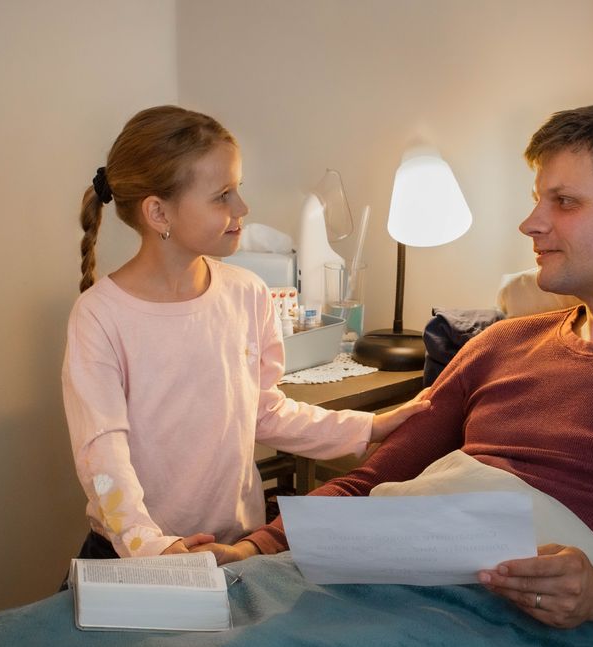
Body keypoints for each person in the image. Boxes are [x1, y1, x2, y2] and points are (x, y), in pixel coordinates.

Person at [199, 98, 593, 647]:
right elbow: (368, 485)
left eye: (566, 202)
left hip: (488, 626)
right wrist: (254, 547)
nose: (531, 224)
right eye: (537, 200)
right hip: (373, 576)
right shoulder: (503, 344)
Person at [61, 105, 429, 562]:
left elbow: (264, 411)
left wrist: (368, 428)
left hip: (236, 546)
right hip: (134, 555)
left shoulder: (245, 292)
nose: (242, 208)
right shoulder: (100, 316)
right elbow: (103, 455)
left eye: (238, 190)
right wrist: (151, 545)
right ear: (158, 212)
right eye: (222, 196)